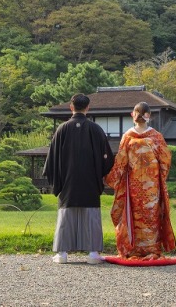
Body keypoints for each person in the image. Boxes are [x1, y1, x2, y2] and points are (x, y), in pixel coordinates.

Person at [42, 93, 115, 264]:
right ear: (88, 108)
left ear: (71, 107)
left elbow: (52, 158)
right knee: (91, 216)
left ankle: (62, 254)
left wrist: (57, 179)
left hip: (67, 181)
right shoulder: (96, 129)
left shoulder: (62, 129)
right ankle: (93, 254)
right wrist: (100, 174)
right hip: (90, 181)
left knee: (66, 216)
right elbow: (108, 158)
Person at [104, 101, 176, 260]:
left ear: (133, 115)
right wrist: (160, 176)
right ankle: (152, 249)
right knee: (151, 215)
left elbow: (121, 162)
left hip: (134, 184)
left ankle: (134, 248)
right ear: (148, 116)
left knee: (135, 215)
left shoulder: (127, 137)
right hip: (152, 185)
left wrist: (111, 178)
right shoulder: (156, 137)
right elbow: (165, 159)